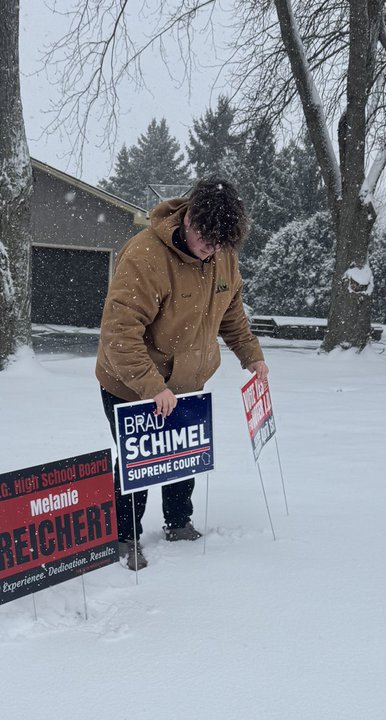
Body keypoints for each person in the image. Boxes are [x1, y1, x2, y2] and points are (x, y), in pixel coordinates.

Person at [96, 177, 269, 569]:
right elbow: (119, 334)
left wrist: (251, 356)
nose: (213, 252)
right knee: (137, 460)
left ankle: (178, 522)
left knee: (182, 455)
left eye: (221, 245)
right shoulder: (144, 257)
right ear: (188, 218)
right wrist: (151, 387)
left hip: (188, 378)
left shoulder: (222, 254)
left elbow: (232, 314)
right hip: (129, 381)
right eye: (207, 241)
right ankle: (124, 536)